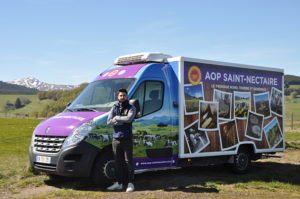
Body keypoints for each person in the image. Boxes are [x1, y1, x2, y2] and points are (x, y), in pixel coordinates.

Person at [107, 88, 136, 192]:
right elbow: (109, 121)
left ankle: (130, 183)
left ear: (127, 96)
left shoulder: (131, 107)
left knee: (129, 162)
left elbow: (129, 119)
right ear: (118, 97)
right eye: (120, 95)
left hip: (126, 138)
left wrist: (117, 118)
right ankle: (118, 183)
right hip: (116, 139)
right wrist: (120, 120)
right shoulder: (114, 107)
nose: (122, 97)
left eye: (124, 95)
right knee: (117, 162)